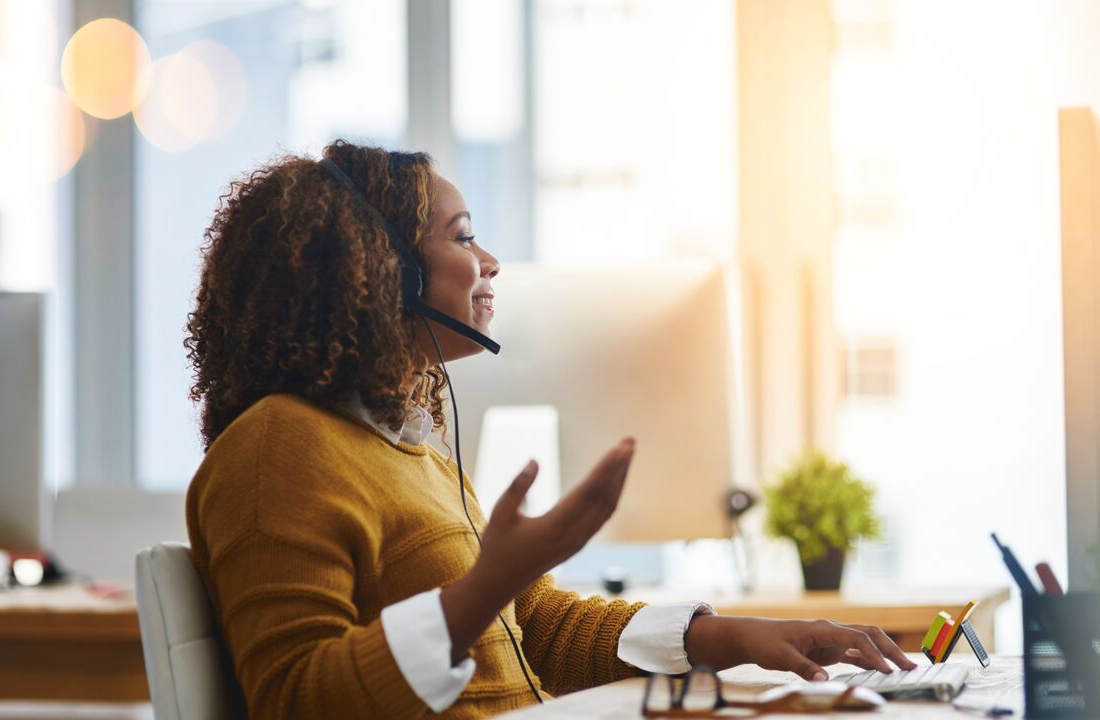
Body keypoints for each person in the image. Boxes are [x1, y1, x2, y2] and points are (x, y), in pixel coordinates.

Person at [183, 140, 916, 719]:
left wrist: (731, 638)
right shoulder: (274, 449)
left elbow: (531, 626)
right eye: (464, 237)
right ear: (387, 273)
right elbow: (295, 701)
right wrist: (490, 580)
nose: (491, 262)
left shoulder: (413, 450)